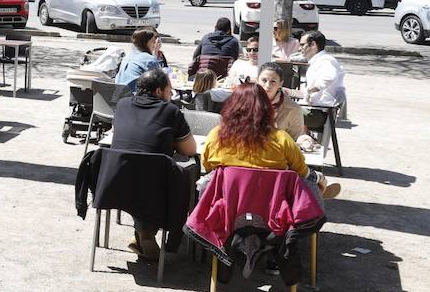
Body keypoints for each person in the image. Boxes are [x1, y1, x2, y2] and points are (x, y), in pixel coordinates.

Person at [109, 68, 197, 260]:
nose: (171, 94)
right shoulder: (171, 111)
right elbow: (190, 150)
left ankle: (142, 234)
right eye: (169, 90)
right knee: (177, 177)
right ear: (158, 91)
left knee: (140, 173)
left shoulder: (122, 105)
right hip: (156, 184)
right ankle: (148, 235)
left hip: (114, 180)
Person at [200, 83, 340, 201]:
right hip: (272, 209)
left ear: (232, 107)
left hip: (224, 206)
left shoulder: (215, 135)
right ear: (267, 108)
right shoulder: (281, 138)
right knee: (309, 182)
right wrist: (320, 178)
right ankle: (322, 190)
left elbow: (207, 166)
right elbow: (302, 171)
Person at [256, 61, 314, 149]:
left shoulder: (293, 109)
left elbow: (297, 137)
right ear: (257, 81)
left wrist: (305, 141)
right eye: (264, 80)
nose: (267, 85)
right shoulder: (246, 101)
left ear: (280, 84)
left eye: (273, 81)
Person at [296, 31, 346, 112]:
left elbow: (329, 77)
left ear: (313, 44)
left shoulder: (326, 60)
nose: (299, 48)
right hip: (315, 107)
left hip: (320, 110)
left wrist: (313, 89)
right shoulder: (318, 61)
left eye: (302, 45)